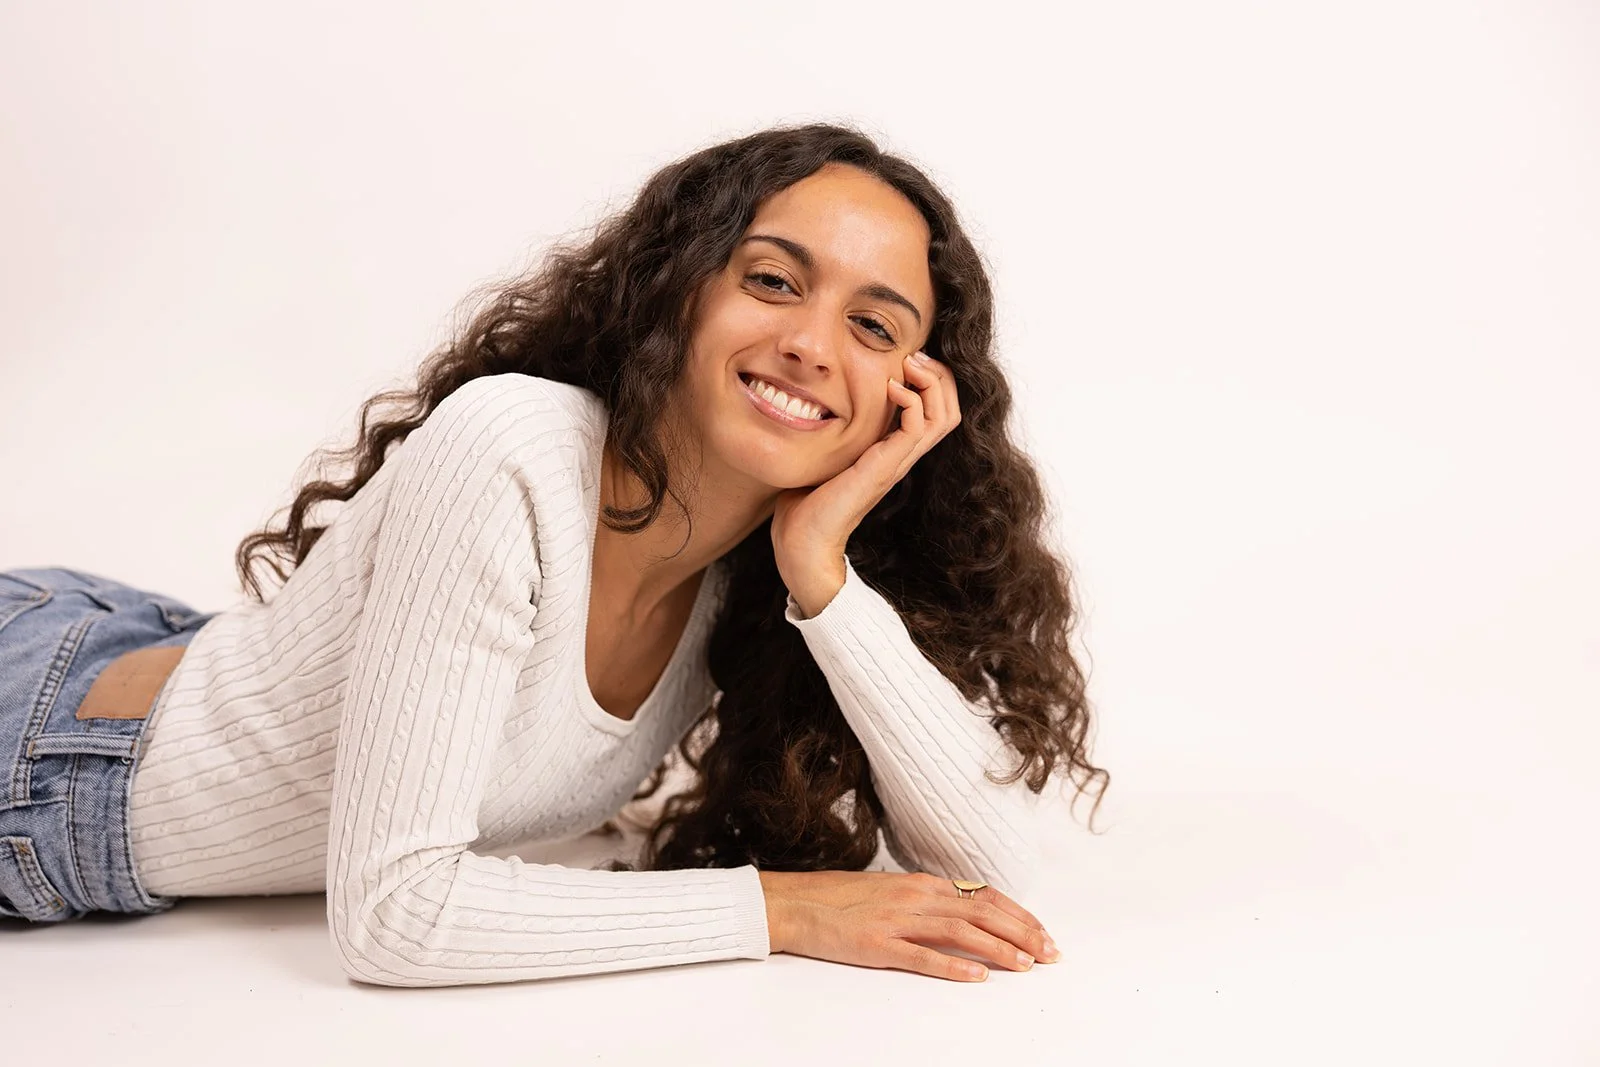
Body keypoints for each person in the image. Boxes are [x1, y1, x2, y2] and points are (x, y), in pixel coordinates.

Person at [0, 122, 1109, 986]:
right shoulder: (512, 449)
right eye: (772, 280)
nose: (811, 345)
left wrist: (822, 564)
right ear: (683, 287)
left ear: (910, 398)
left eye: (875, 327)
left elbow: (996, 882)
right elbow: (393, 913)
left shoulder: (749, 576)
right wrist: (781, 908)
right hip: (45, 750)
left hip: (151, 650)